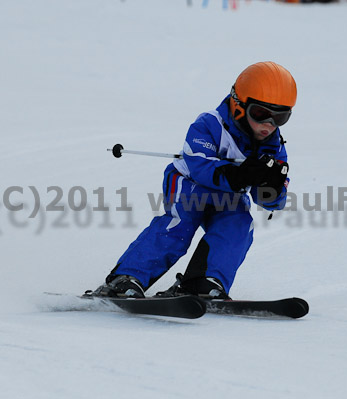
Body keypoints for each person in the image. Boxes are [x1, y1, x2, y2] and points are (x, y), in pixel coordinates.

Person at [93, 61, 297, 299]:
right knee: (180, 224)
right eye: (261, 113)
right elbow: (199, 165)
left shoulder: (274, 147)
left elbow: (271, 201)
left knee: (238, 226)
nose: (269, 125)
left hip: (230, 195)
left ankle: (202, 281)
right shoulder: (210, 124)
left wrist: (270, 189)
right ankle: (128, 277)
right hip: (190, 185)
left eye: (280, 117)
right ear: (239, 105)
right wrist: (239, 175)